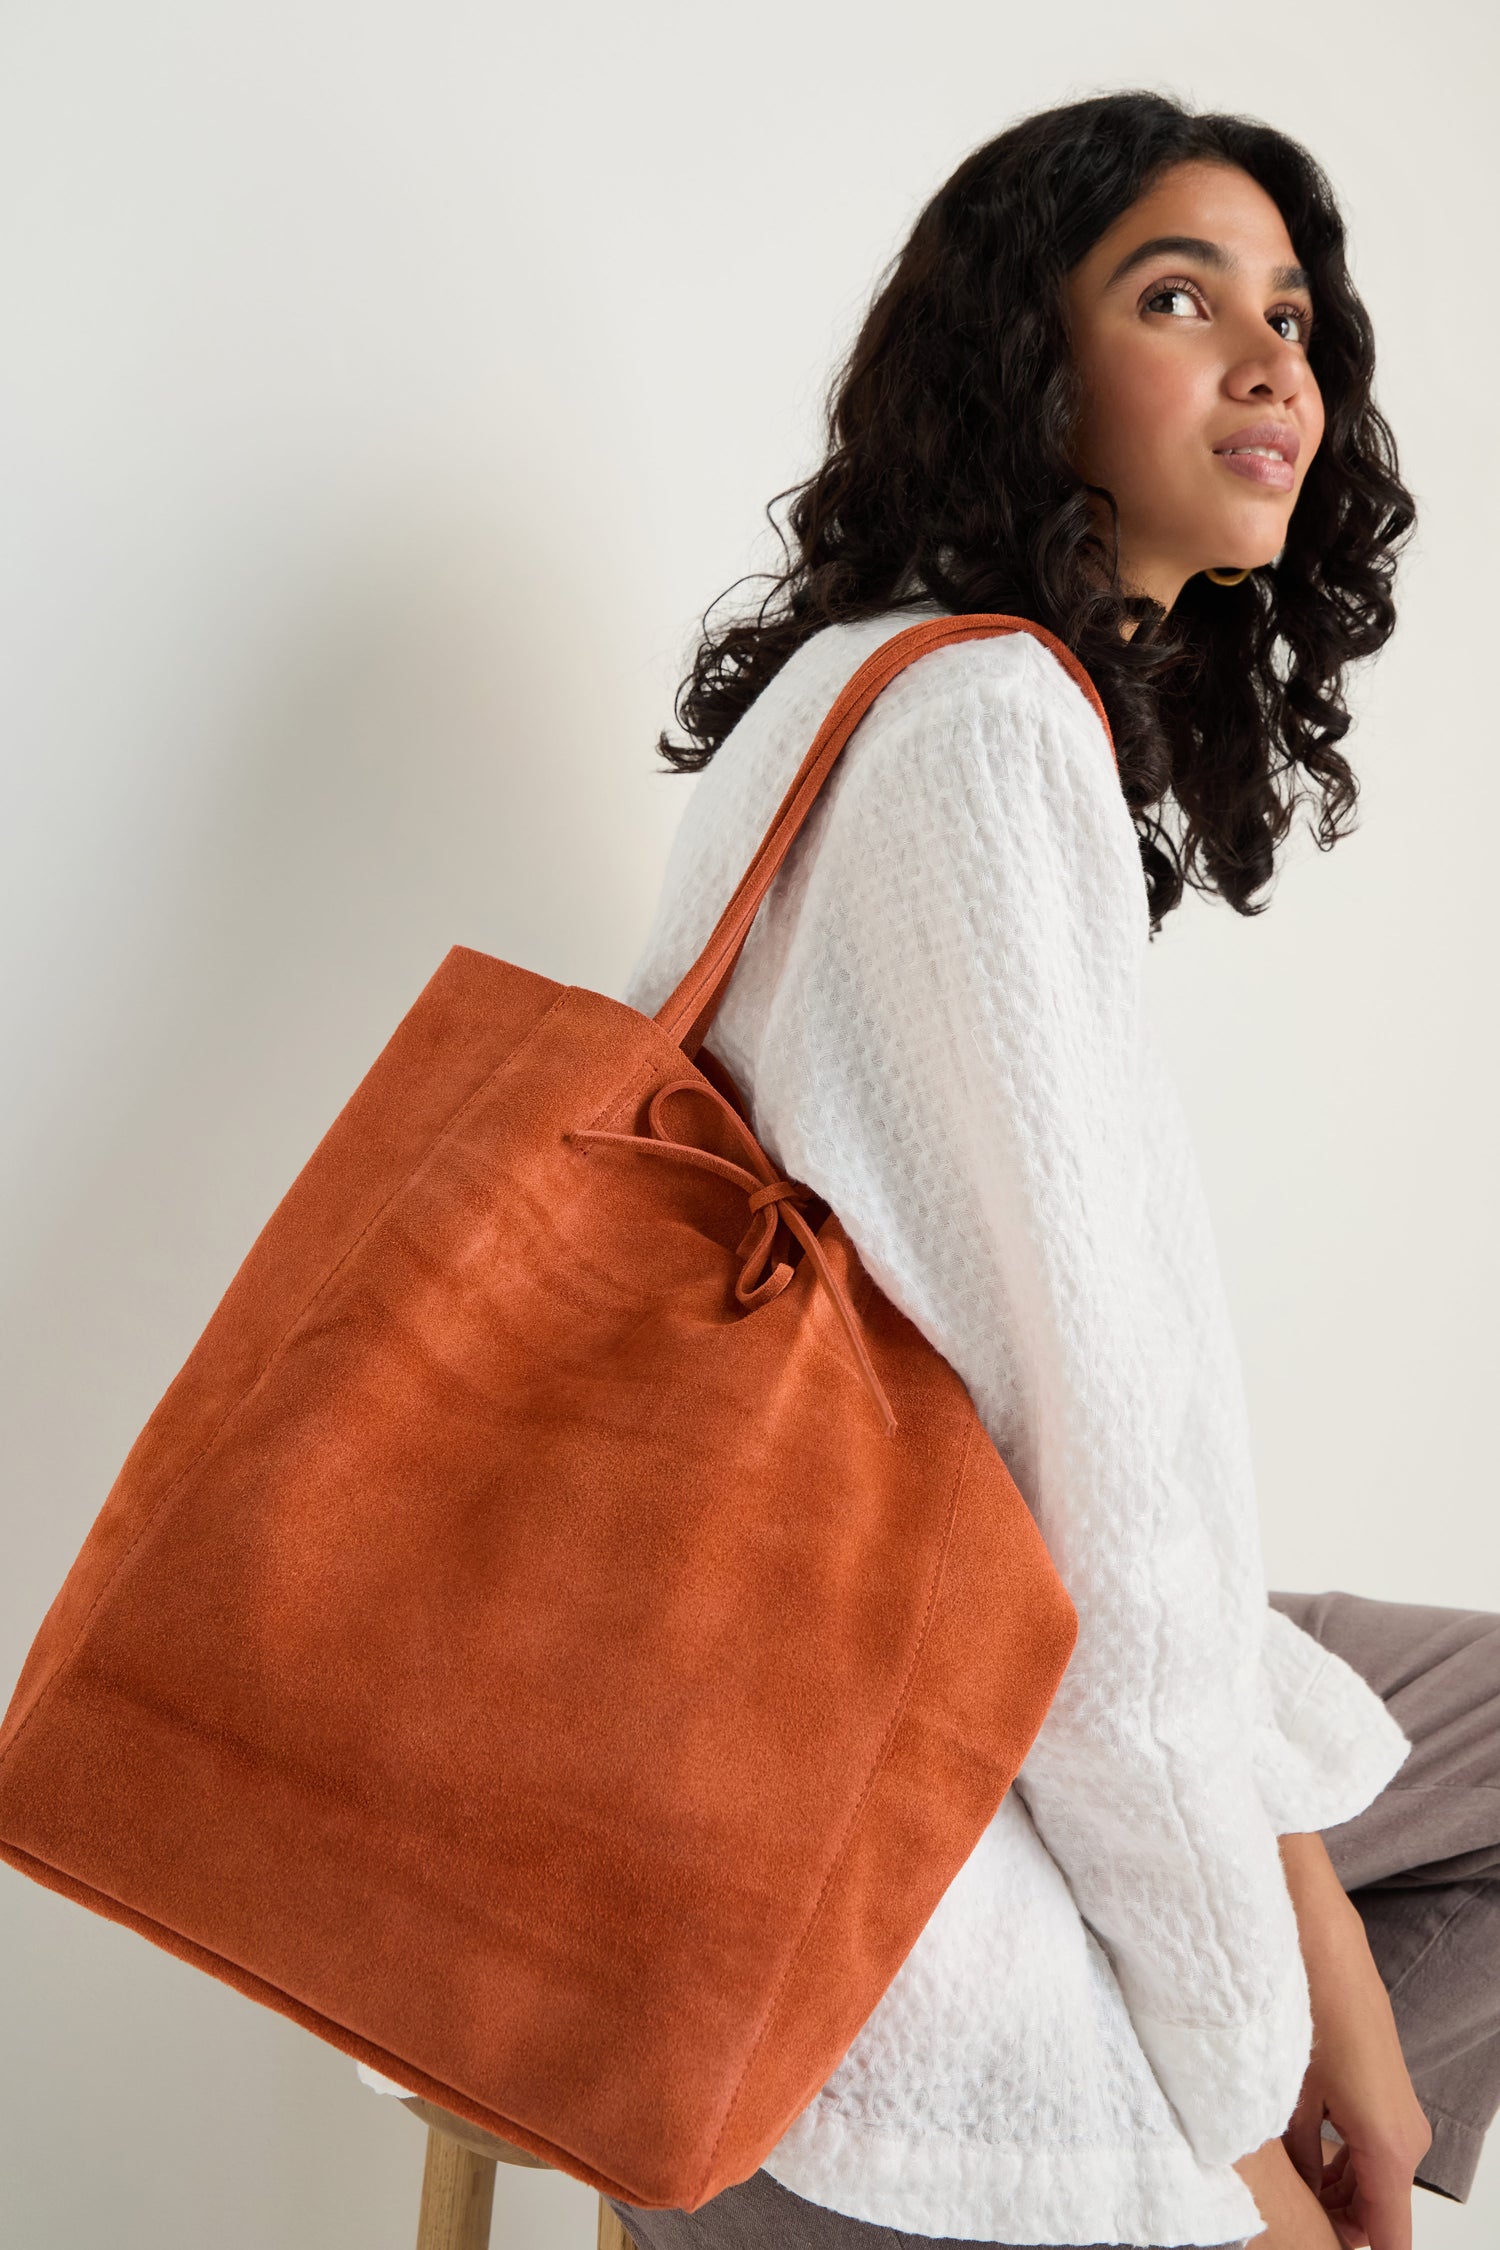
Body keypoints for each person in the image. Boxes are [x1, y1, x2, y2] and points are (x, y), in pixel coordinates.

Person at [359, 88, 1500, 2250]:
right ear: (1034, 369)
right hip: (838, 1791)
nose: (1277, 363)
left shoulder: (864, 688)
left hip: (798, 1636)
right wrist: (1243, 2080)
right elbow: (1090, 1489)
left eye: (1296, 315)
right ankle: (1128, 2171)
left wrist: (1299, 1957)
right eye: (1182, 297)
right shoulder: (986, 737)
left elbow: (1056, 1470)